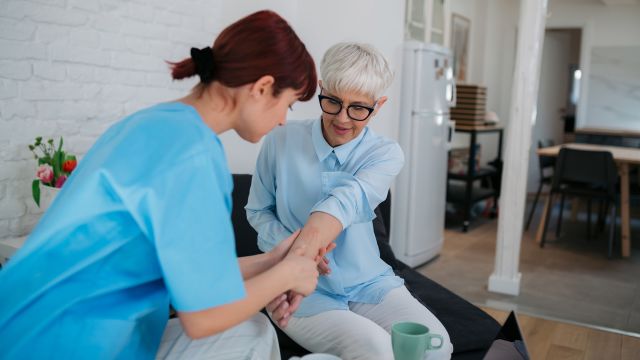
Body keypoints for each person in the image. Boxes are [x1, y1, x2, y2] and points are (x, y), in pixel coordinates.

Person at [0, 10, 321, 360]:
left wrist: (272, 260)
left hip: (23, 327)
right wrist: (291, 272)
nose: (281, 122)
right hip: (66, 344)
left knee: (252, 332)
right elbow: (203, 315)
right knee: (252, 334)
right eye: (287, 105)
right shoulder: (194, 156)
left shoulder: (150, 124)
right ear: (261, 88)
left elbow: (195, 275)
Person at [246, 42, 454, 359]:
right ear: (322, 90)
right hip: (300, 286)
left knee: (436, 347)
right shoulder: (281, 140)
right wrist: (294, 254)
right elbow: (258, 211)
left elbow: (346, 201)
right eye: (333, 102)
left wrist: (310, 243)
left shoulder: (384, 153)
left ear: (378, 105)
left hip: (368, 281)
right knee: (378, 351)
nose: (342, 118)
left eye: (358, 108)